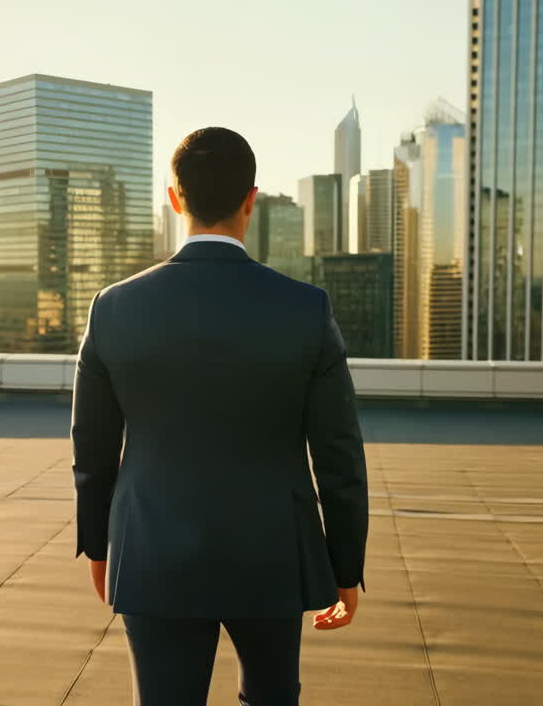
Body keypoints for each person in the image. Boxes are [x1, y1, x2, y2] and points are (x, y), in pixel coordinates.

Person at [71, 127, 368, 706]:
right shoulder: (306, 310)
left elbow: (93, 451)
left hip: (152, 550)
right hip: (272, 553)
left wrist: (99, 548)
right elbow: (339, 454)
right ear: (250, 200)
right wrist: (346, 567)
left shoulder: (113, 307)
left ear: (174, 198)